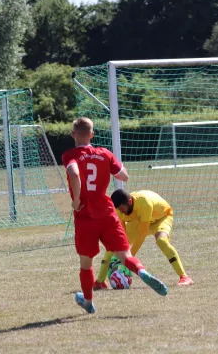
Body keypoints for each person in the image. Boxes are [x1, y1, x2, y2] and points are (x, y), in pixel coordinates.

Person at [61, 117, 168, 314]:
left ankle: (88, 302)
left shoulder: (70, 154)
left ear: (73, 134)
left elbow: (74, 173)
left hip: (85, 216)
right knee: (125, 256)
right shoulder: (105, 153)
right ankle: (142, 271)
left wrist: (76, 200)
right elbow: (124, 176)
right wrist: (113, 164)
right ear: (92, 134)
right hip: (108, 214)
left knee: (86, 264)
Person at [94, 189, 194, 289]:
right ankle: (100, 282)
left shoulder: (145, 203)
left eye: (122, 209)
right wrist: (121, 251)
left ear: (129, 201)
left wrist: (128, 260)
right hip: (139, 220)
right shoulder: (120, 210)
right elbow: (121, 235)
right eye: (119, 210)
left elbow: (142, 234)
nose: (121, 212)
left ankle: (184, 277)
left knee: (161, 241)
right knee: (114, 245)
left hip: (161, 218)